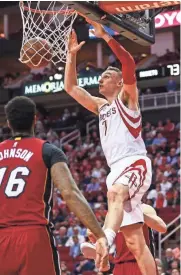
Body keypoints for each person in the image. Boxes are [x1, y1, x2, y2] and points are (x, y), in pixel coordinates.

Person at [64, 20, 157, 274]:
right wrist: (71, 56)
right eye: (101, 76)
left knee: (115, 194)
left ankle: (105, 241)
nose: (101, 79)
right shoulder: (101, 106)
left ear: (119, 83)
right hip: (115, 169)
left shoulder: (127, 99)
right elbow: (71, 88)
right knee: (137, 244)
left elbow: (127, 62)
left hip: (135, 162)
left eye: (107, 76)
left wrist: (105, 36)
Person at [0, 96, 109, 275]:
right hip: (33, 236)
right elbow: (70, 193)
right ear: (35, 119)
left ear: (8, 123)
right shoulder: (48, 150)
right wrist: (100, 235)